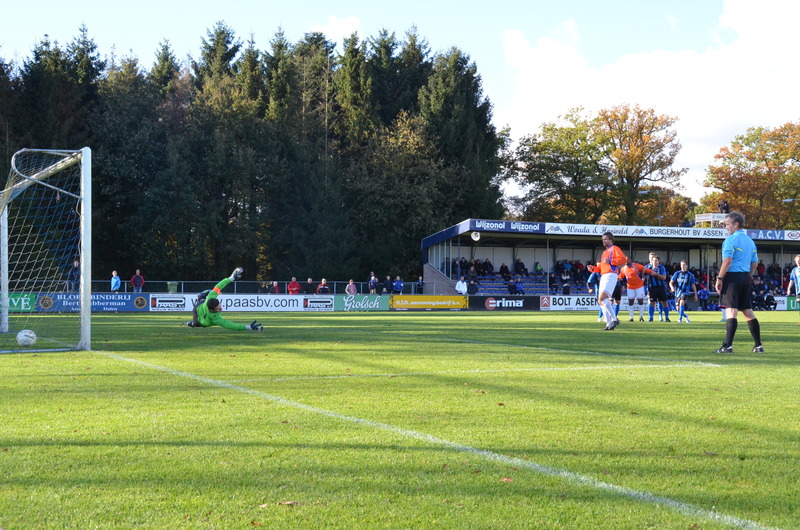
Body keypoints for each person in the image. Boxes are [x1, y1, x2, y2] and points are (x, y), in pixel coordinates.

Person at [714, 211, 764, 353]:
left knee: (731, 311)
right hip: (745, 278)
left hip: (732, 278)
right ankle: (758, 345)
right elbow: (754, 264)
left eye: (727, 224)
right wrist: (747, 276)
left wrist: (719, 278)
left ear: (736, 224)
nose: (726, 227)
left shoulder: (730, 240)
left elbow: (727, 261)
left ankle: (727, 346)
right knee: (748, 312)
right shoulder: (750, 241)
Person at [185, 268, 262, 332]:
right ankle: (191, 323)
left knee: (204, 295)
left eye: (219, 305)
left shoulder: (211, 297)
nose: (221, 308)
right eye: (218, 308)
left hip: (201, 305)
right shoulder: (216, 319)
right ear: (212, 310)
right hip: (199, 315)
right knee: (196, 324)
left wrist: (231, 278)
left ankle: (201, 296)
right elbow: (232, 326)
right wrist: (249, 327)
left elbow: (219, 285)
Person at [597, 232, 627, 331]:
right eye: (602, 239)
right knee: (600, 301)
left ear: (611, 240)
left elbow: (623, 260)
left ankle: (614, 319)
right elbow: (601, 267)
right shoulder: (605, 252)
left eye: (605, 239)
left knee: (603, 297)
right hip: (604, 275)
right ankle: (608, 323)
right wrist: (593, 268)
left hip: (611, 275)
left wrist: (611, 261)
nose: (603, 241)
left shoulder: (615, 248)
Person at [644, 255, 670, 322]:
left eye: (656, 260)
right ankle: (650, 318)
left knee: (665, 302)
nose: (654, 262)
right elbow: (643, 275)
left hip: (661, 287)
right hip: (652, 287)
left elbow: (664, 277)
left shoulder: (662, 268)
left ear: (659, 261)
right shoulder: (648, 267)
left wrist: (656, 274)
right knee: (652, 302)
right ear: (651, 261)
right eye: (653, 261)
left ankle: (667, 318)